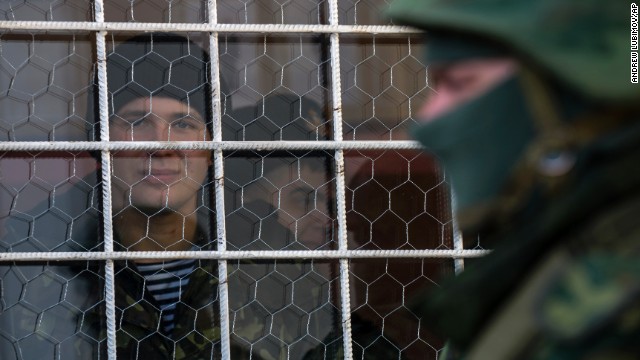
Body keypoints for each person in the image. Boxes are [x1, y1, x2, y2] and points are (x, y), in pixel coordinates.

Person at [386, 0, 640, 358]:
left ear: (568, 99)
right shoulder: (558, 253)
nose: (428, 120)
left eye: (459, 84)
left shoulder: (615, 293)